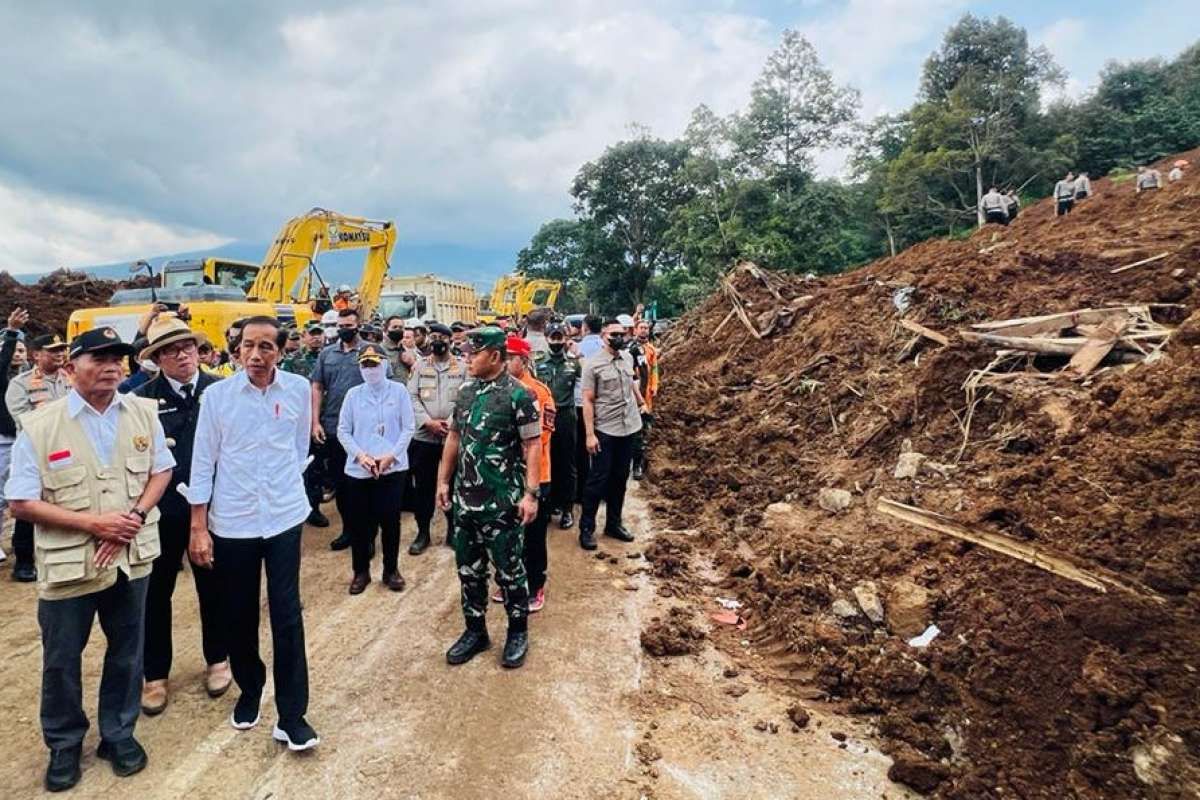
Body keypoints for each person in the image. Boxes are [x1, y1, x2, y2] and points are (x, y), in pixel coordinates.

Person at [5, 326, 174, 792]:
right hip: (69, 564)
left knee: (127, 651)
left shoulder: (141, 412)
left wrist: (135, 516)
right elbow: (21, 500)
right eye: (98, 357)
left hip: (130, 556)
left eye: (117, 357)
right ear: (70, 366)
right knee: (62, 659)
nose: (112, 366)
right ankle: (64, 743)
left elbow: (161, 469)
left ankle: (118, 733)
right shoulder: (41, 425)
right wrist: (95, 525)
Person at [186, 316, 319, 752]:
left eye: (267, 346)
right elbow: (203, 462)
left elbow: (299, 449)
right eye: (248, 346)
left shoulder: (298, 390)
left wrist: (282, 492)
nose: (257, 355)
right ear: (236, 350)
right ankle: (250, 687)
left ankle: (293, 714)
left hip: (282, 517)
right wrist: (199, 526)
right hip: (234, 521)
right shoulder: (217, 397)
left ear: (281, 351)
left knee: (287, 613)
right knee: (238, 612)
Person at [131, 315, 230, 716]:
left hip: (215, 508)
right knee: (156, 594)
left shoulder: (220, 391)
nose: (183, 354)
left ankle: (219, 659)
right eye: (171, 349)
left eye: (188, 346)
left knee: (214, 587)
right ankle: (155, 674)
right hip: (165, 509)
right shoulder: (140, 400)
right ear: (157, 358)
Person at [436, 326, 540, 669]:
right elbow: (453, 438)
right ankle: (476, 631)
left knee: (510, 571)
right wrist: (443, 482)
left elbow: (532, 445)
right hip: (467, 502)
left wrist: (531, 494)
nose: (467, 358)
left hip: (503, 503)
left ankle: (517, 632)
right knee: (469, 570)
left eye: (473, 353)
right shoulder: (465, 392)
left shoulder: (519, 396)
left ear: (495, 356)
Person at [337, 343, 415, 594]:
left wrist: (391, 456)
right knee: (360, 524)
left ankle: (391, 570)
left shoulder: (399, 391)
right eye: (365, 364)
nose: (370, 369)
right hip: (360, 469)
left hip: (392, 468)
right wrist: (361, 457)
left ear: (384, 365)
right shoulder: (353, 395)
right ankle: (360, 572)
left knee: (390, 521)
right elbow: (343, 431)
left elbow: (408, 428)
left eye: (374, 363)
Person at [6, 331, 72, 582]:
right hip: (37, 452)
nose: (60, 354)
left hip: (70, 451)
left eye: (61, 350)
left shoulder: (71, 379)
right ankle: (24, 561)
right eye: (53, 350)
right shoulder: (20, 384)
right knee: (30, 506)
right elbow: (23, 418)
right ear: (36, 355)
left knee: (66, 501)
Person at [579, 320, 645, 550]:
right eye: (613, 334)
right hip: (605, 429)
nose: (618, 337)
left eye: (622, 333)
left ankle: (613, 524)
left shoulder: (627, 358)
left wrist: (641, 402)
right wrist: (589, 434)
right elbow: (587, 400)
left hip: (629, 427)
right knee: (598, 480)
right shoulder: (592, 364)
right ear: (604, 335)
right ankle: (586, 528)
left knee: (620, 478)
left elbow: (631, 383)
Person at [502, 336, 554, 613]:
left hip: (535, 474)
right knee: (508, 532)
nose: (505, 362)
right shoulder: (500, 389)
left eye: (509, 357)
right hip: (506, 475)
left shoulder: (539, 392)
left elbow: (541, 436)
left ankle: (535, 584)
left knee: (533, 536)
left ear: (523, 360)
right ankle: (510, 579)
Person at [311, 308, 368, 550]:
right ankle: (348, 531)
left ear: (358, 325)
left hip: (364, 431)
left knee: (365, 486)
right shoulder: (327, 354)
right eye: (341, 325)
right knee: (343, 485)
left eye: (349, 325)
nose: (344, 329)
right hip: (334, 428)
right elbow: (317, 387)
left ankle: (366, 535)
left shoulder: (370, 351)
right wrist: (315, 421)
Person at [405, 323, 465, 553]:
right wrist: (428, 422)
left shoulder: (462, 367)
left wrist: (450, 424)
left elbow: (466, 397)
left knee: (452, 483)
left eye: (442, 337)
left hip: (454, 435)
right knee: (423, 486)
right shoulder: (419, 367)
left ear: (450, 341)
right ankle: (423, 533)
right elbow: (411, 397)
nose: (437, 341)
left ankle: (452, 530)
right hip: (424, 437)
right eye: (434, 337)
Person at [534, 323, 580, 529]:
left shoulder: (575, 364)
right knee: (545, 460)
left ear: (566, 338)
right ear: (546, 338)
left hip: (565, 416)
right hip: (543, 417)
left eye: (560, 337)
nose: (556, 341)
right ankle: (550, 504)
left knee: (567, 463)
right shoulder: (537, 364)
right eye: (553, 337)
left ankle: (567, 508)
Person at [1, 308, 30, 563]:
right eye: (14, 350)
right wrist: (11, 333)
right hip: (3, 440)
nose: (18, 354)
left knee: (25, 491)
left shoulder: (31, 378)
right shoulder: (2, 377)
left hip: (26, 440)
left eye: (23, 350)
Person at [574, 315, 605, 508]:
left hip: (580, 402)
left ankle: (582, 490)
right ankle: (600, 489)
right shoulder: (605, 347)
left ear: (585, 327)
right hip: (602, 403)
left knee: (582, 450)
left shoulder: (578, 349)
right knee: (601, 447)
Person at [630, 319, 659, 481]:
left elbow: (654, 370)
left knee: (641, 433)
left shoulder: (650, 350)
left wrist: (654, 385)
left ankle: (637, 465)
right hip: (631, 396)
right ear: (635, 330)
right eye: (641, 328)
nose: (643, 331)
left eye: (646, 328)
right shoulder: (630, 350)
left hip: (645, 395)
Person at [382, 315, 417, 383]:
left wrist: (413, 363)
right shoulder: (381, 351)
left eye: (400, 327)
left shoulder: (408, 351)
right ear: (386, 330)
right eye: (394, 327)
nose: (398, 329)